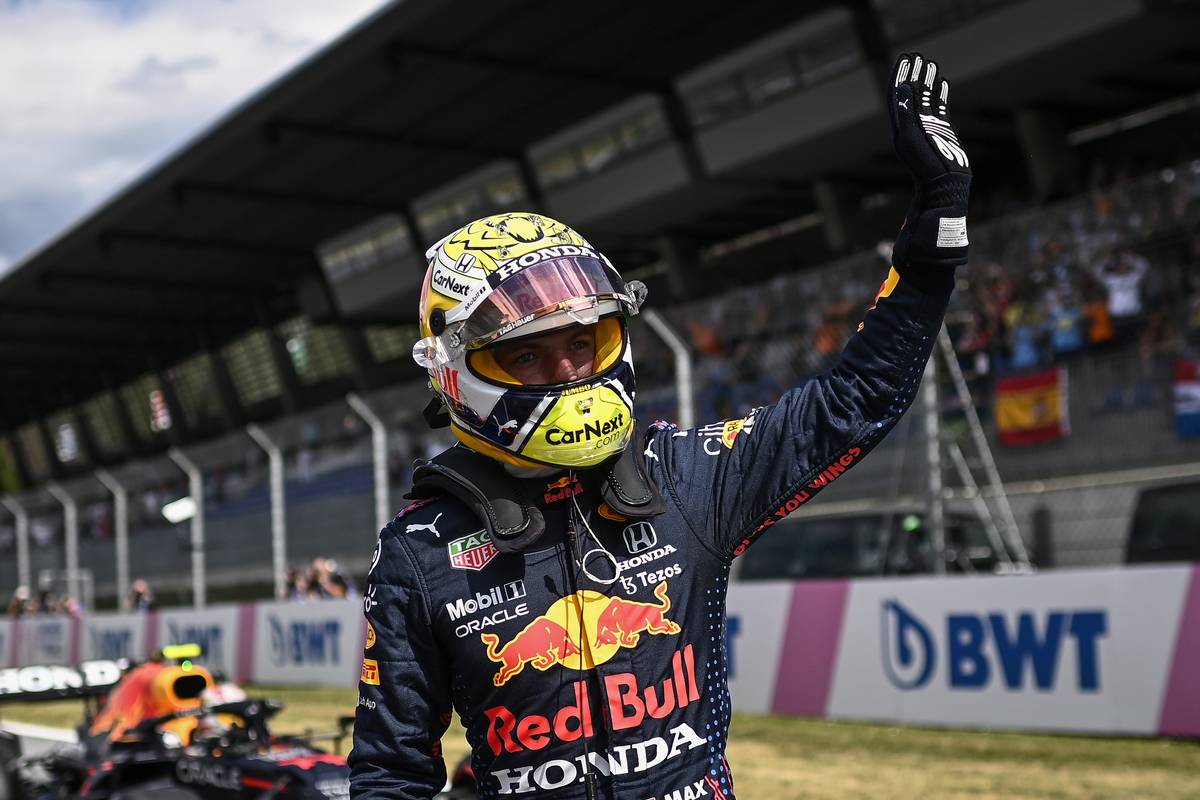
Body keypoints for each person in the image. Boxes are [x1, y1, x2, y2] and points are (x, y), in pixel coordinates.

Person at [350, 53, 971, 799]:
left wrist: (936, 226)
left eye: (584, 342)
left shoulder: (684, 475)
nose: (569, 372)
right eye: (529, 354)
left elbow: (854, 401)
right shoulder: (419, 552)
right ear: (460, 369)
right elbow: (391, 772)